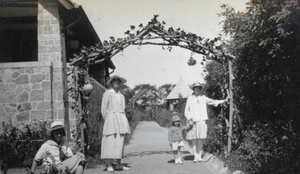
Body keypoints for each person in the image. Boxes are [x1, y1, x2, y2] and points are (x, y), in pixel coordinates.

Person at [184, 81, 228, 163]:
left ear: (200, 89)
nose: (197, 89)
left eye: (198, 87)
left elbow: (212, 101)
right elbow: (186, 111)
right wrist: (190, 118)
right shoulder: (190, 98)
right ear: (193, 89)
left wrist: (223, 101)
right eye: (195, 87)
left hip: (201, 120)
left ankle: (199, 156)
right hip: (193, 121)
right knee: (194, 139)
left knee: (200, 139)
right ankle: (195, 156)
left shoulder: (203, 97)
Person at [101, 75, 131, 172]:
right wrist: (108, 120)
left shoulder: (121, 95)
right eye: (114, 81)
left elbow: (123, 110)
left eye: (118, 81)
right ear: (111, 82)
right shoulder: (107, 93)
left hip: (120, 119)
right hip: (111, 120)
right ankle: (109, 164)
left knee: (119, 141)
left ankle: (119, 164)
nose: (116, 83)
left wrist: (124, 122)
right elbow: (103, 109)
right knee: (110, 141)